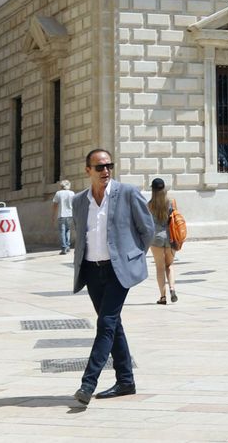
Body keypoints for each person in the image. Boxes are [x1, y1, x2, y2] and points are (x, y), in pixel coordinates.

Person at [71, 148, 154, 406]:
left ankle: (88, 383)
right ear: (88, 171)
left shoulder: (127, 193)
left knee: (106, 323)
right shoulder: (79, 201)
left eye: (109, 166)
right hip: (92, 270)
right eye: (100, 167)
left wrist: (134, 256)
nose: (106, 171)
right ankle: (126, 381)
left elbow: (147, 229)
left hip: (119, 270)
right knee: (113, 324)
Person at [147, 178, 179, 305]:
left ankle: (163, 296)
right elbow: (176, 219)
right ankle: (172, 288)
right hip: (170, 237)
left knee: (160, 267)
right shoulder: (171, 202)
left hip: (156, 239)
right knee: (169, 265)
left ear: (153, 190)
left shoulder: (149, 205)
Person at [52, 180, 74, 255]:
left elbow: (55, 204)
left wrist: (54, 214)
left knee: (62, 231)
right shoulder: (72, 193)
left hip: (61, 214)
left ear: (61, 186)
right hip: (70, 214)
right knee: (68, 230)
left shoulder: (58, 193)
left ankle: (64, 247)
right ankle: (67, 246)